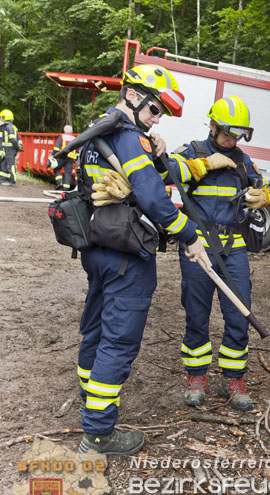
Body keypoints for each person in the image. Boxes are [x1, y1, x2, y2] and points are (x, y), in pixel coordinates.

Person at [75, 64, 214, 456]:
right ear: (133, 96)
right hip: (124, 257)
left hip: (97, 250)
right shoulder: (128, 137)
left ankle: (90, 406)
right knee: (117, 341)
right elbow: (154, 199)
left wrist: (161, 156)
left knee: (97, 332)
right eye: (155, 110)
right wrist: (190, 235)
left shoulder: (97, 133)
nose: (155, 120)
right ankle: (99, 434)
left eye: (161, 115)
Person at [168, 95, 270, 411]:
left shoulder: (243, 160)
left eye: (238, 134)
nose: (232, 139)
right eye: (227, 132)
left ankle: (234, 378)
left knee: (239, 314)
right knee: (197, 314)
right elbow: (165, 171)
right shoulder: (192, 152)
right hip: (197, 249)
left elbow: (264, 185)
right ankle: (196, 376)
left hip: (233, 248)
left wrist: (263, 196)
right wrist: (200, 166)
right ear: (212, 126)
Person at [51, 125, 79, 190]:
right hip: (71, 158)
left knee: (56, 169)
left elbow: (57, 148)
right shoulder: (74, 138)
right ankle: (66, 189)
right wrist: (76, 159)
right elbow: (77, 151)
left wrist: (53, 155)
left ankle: (59, 183)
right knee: (68, 173)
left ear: (64, 130)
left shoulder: (62, 136)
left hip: (62, 156)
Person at [0, 109, 23, 186]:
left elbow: (12, 139)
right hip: (7, 150)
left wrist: (17, 148)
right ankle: (3, 179)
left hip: (10, 150)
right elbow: (18, 139)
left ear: (3, 117)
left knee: (10, 165)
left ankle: (12, 181)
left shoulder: (8, 127)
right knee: (4, 165)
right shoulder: (11, 126)